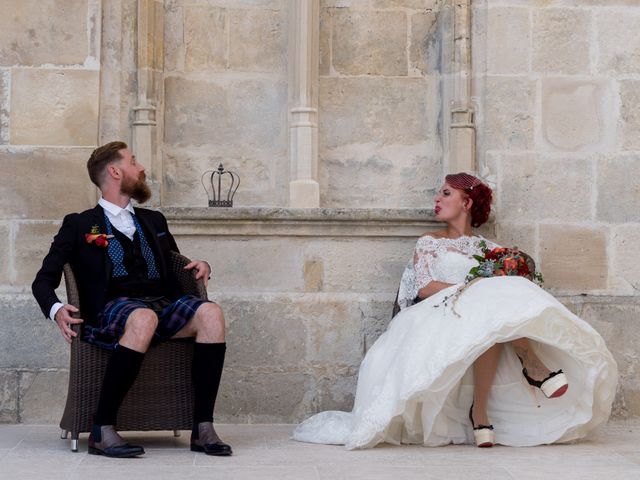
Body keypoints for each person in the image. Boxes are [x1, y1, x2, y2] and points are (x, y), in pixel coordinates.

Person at [293, 172, 617, 449]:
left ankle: (486, 408)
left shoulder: (491, 251)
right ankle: (530, 366)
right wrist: (471, 289)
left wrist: (489, 286)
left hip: (479, 318)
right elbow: (424, 287)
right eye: (438, 193)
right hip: (436, 312)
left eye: (446, 193)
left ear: (467, 203)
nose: (437, 198)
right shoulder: (429, 242)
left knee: (495, 307)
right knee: (487, 301)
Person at [32, 141, 232, 458]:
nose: (141, 168)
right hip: (111, 312)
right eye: (134, 161)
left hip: (161, 305)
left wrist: (199, 265)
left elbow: (174, 262)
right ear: (114, 171)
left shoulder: (154, 221)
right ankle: (102, 427)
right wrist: (56, 309)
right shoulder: (81, 224)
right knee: (142, 317)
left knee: (211, 314)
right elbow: (43, 280)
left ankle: (203, 427)